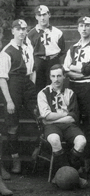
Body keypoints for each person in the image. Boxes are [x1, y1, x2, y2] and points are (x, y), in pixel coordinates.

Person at [63, 16, 90, 171]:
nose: (84, 28)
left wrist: (76, 69)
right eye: (81, 25)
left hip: (88, 88)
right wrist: (79, 71)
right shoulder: (73, 48)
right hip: (73, 87)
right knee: (73, 120)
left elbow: (89, 70)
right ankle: (74, 159)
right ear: (78, 28)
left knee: (88, 124)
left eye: (87, 25)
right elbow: (66, 69)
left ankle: (85, 159)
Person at [0, 19, 37, 175]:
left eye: (24, 29)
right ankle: (16, 159)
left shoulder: (28, 47)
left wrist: (32, 86)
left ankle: (40, 149)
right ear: (13, 31)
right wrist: (9, 100)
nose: (22, 32)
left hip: (27, 84)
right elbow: (2, 79)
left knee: (39, 112)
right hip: (13, 85)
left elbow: (33, 69)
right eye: (18, 29)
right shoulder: (6, 51)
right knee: (12, 124)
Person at [37, 64, 87, 177]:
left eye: (59, 76)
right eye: (53, 76)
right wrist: (65, 114)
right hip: (52, 127)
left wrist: (52, 119)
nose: (56, 79)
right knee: (54, 140)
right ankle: (66, 173)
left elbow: (73, 117)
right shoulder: (43, 93)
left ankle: (68, 170)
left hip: (68, 126)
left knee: (81, 141)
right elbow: (46, 115)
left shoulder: (70, 93)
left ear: (64, 76)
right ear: (50, 77)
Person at [28, 5, 65, 94]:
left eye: (44, 15)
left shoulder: (58, 32)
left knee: (55, 86)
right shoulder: (31, 34)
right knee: (39, 87)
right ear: (36, 17)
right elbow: (29, 51)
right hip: (38, 62)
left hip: (53, 61)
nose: (42, 18)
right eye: (39, 15)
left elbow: (62, 50)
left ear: (49, 15)